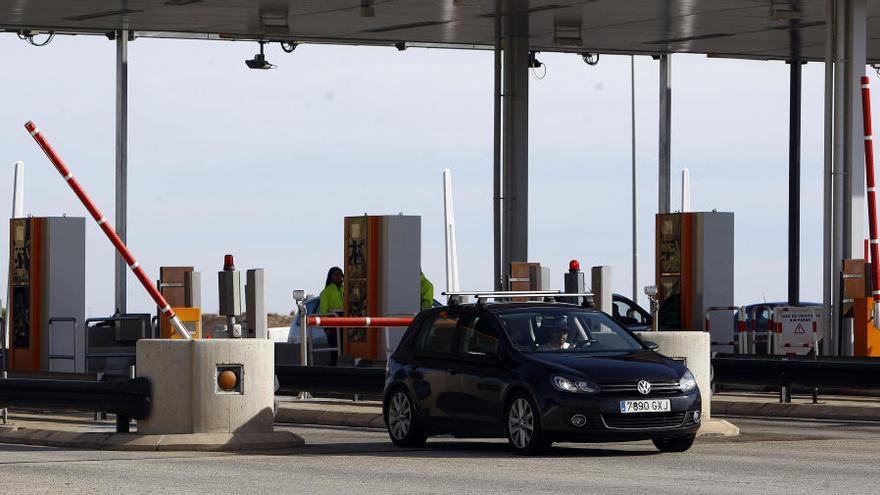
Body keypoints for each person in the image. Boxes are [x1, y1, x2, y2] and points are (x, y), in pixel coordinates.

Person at [319, 267, 344, 366]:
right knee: (335, 346)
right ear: (330, 277)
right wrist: (327, 326)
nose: (338, 276)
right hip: (333, 321)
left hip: (347, 320)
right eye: (335, 274)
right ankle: (334, 366)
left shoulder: (347, 288)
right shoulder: (326, 292)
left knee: (345, 346)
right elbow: (323, 310)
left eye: (340, 274)